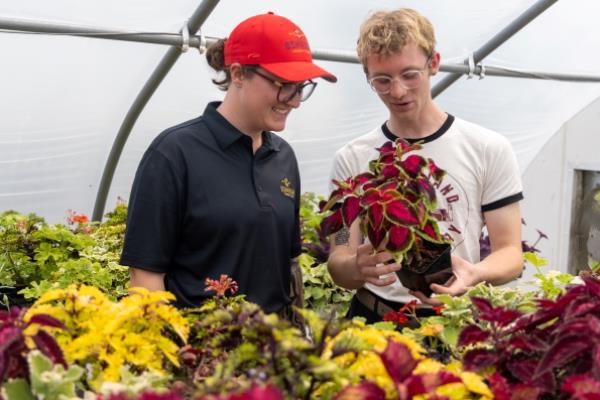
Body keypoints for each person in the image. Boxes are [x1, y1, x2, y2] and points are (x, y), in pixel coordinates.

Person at [120, 12, 337, 318]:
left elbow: (287, 269)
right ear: (238, 74)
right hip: (201, 353)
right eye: (283, 84)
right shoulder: (173, 154)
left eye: (301, 86)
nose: (295, 100)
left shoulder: (283, 157)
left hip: (273, 355)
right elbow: (146, 279)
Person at [327, 8, 523, 324]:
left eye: (409, 74)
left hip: (453, 321)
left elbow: (511, 253)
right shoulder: (352, 158)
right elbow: (339, 260)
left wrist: (475, 273)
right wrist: (354, 267)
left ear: (433, 64)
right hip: (376, 319)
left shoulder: (488, 148)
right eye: (382, 80)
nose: (398, 91)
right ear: (368, 77)